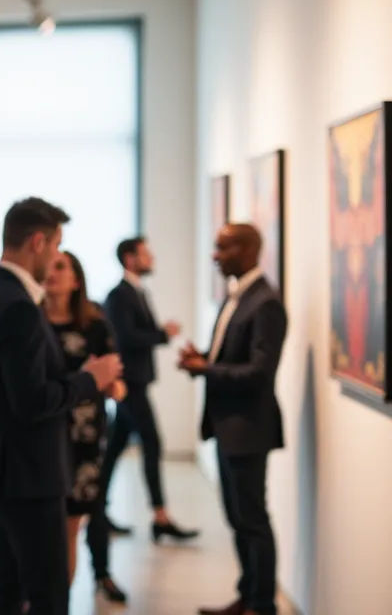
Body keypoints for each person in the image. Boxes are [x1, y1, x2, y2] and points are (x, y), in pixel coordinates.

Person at [0, 197, 122, 615]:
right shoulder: (17, 306)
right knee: (47, 594)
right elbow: (31, 402)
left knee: (8, 586)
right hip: (28, 476)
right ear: (38, 242)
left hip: (2, 470)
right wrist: (91, 380)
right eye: (55, 247)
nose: (55, 258)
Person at [178, 224, 286, 615]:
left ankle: (263, 605)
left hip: (248, 428)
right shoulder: (238, 297)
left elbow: (259, 372)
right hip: (227, 427)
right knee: (238, 517)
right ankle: (248, 596)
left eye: (222, 248)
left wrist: (206, 369)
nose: (214, 256)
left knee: (253, 519)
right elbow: (229, 357)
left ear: (246, 249)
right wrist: (202, 361)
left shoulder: (265, 303)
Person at [42, 251, 128, 603]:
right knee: (40, 531)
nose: (52, 271)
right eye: (49, 264)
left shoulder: (95, 324)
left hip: (85, 438)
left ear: (76, 279)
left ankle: (70, 592)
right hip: (44, 436)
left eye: (61, 266)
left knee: (73, 525)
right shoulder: (31, 321)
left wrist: (107, 382)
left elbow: (117, 386)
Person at [100, 236, 199, 540]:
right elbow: (126, 338)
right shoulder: (119, 295)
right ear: (130, 258)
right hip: (128, 384)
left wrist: (160, 334)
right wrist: (162, 333)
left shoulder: (136, 292)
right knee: (152, 443)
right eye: (146, 254)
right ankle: (159, 515)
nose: (152, 258)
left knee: (115, 446)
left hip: (137, 380)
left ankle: (97, 510)